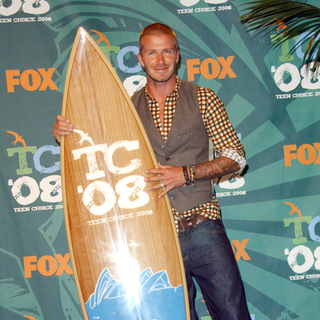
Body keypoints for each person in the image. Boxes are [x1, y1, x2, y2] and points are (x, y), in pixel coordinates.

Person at [54, 23, 250, 320]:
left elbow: (235, 158)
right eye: (152, 53)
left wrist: (185, 174)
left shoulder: (204, 98)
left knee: (233, 314)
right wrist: (66, 134)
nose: (160, 60)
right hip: (154, 237)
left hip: (203, 226)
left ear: (178, 55)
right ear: (140, 58)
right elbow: (93, 149)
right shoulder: (127, 110)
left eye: (167, 51)